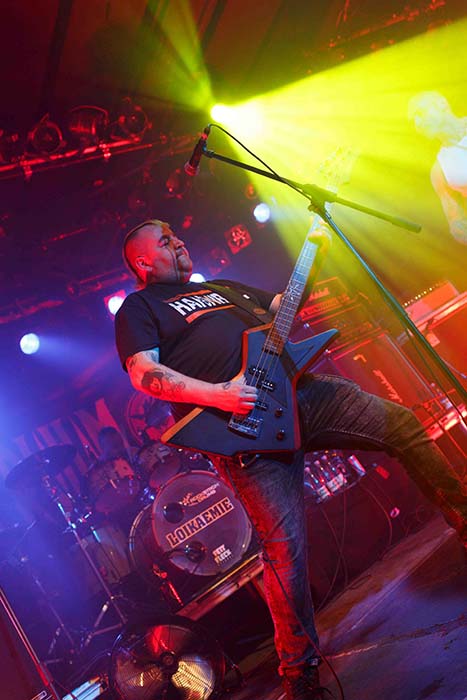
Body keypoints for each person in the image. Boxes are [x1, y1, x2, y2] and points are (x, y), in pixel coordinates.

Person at [114, 218, 467, 700]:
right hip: (244, 432)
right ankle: (299, 674)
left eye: (177, 234)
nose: (177, 241)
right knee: (285, 551)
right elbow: (144, 374)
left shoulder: (222, 288)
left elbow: (282, 309)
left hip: (303, 394)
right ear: (142, 261)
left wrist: (312, 252)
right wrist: (220, 394)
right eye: (165, 240)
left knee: (402, 425)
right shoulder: (140, 308)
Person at [408, 91, 467, 245]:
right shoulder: (440, 171)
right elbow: (457, 223)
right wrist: (459, 229)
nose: (417, 124)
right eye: (413, 121)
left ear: (442, 104)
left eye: (420, 113)